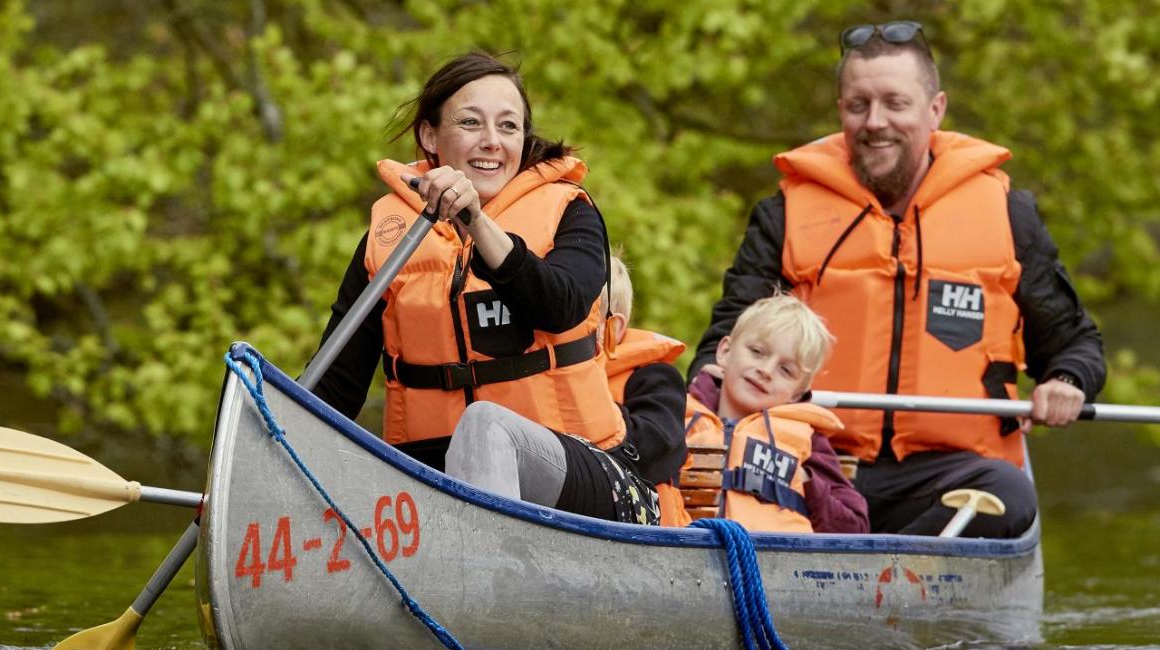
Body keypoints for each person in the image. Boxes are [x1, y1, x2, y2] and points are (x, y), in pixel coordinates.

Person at [689, 21, 1105, 538]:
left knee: (1010, 495)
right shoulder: (784, 214)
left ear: (936, 110)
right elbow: (726, 338)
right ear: (841, 109)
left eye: (895, 103)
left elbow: (1075, 344)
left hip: (943, 474)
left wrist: (1066, 382)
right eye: (858, 105)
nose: (875, 122)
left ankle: (887, 565)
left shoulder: (1008, 215)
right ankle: (840, 554)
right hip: (813, 458)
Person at [310, 52, 624, 488]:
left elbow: (561, 306)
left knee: (484, 427)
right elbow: (334, 390)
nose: (492, 140)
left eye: (508, 126)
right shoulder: (387, 239)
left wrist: (474, 220)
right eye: (471, 123)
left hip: (580, 462)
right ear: (429, 135)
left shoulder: (570, 211)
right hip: (433, 473)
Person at [445, 255, 690, 525]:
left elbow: (657, 447)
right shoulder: (535, 377)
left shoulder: (654, 377)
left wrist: (576, 404)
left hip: (633, 517)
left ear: (612, 328)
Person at [685, 294, 869, 533]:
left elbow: (856, 527)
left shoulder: (809, 442)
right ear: (725, 351)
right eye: (757, 352)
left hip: (767, 565)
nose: (766, 370)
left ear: (797, 393)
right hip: (679, 559)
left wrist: (805, 481)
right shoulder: (676, 417)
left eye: (785, 370)